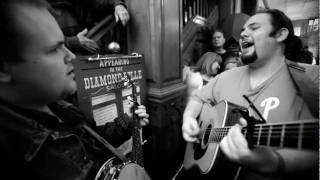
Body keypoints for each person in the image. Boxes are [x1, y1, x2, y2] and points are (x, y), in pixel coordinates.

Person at [0, 0, 148, 179]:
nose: (71, 56)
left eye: (65, 44)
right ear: (3, 68)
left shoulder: (59, 105)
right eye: (54, 49)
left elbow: (97, 139)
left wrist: (129, 120)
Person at [182, 8, 318, 180]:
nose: (243, 34)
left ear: (280, 34)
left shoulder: (312, 78)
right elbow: (198, 97)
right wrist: (188, 118)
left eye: (254, 28)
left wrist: (274, 163)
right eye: (242, 31)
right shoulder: (225, 76)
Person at [48, 0, 130, 54]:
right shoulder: (40, 7)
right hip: (58, 58)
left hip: (86, 55)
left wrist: (118, 5)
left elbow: (99, 2)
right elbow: (41, 39)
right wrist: (74, 41)